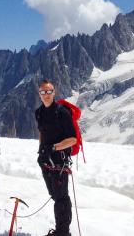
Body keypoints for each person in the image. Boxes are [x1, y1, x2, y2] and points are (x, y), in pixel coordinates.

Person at [35, 79, 77, 236]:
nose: (46, 95)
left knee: (61, 198)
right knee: (56, 196)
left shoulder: (62, 112)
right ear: (39, 94)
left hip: (59, 162)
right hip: (45, 161)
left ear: (54, 92)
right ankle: (62, 230)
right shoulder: (38, 113)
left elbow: (72, 139)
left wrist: (53, 148)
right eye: (43, 92)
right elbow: (42, 133)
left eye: (49, 91)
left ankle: (62, 232)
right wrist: (41, 151)